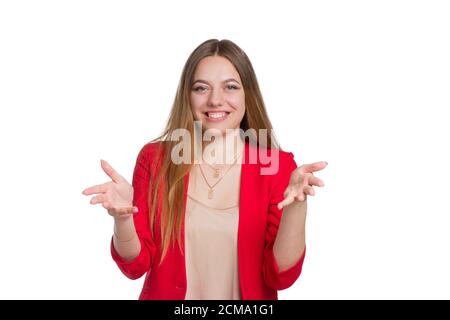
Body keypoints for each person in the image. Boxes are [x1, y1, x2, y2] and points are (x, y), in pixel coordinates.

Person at [82, 39, 327, 300]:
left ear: (248, 94)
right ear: (187, 96)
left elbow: (280, 276)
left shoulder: (275, 167)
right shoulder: (155, 160)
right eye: (201, 88)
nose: (215, 100)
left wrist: (297, 206)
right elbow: (135, 265)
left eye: (230, 87)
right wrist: (123, 219)